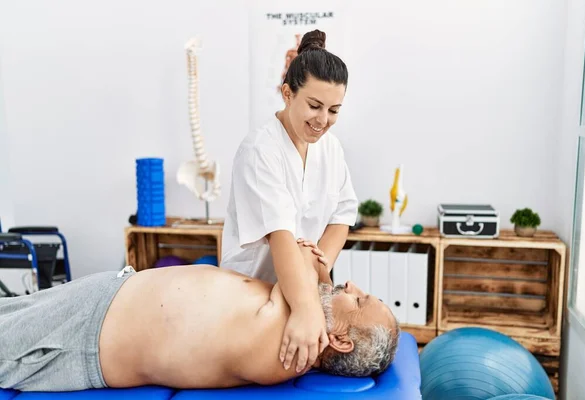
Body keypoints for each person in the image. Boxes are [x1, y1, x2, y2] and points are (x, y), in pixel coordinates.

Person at [0, 243, 399, 392]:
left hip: (86, 336)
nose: (353, 286)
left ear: (341, 340)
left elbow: (290, 252)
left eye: (360, 302)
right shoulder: (299, 313)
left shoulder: (290, 353)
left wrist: (315, 274)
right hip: (105, 298)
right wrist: (318, 280)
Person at [221, 29, 358, 375]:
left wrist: (317, 271)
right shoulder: (260, 150)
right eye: (314, 105)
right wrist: (306, 308)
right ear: (287, 93)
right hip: (251, 294)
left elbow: (342, 216)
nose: (323, 121)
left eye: (334, 110)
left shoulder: (332, 148)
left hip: (302, 291)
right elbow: (280, 234)